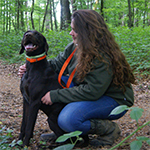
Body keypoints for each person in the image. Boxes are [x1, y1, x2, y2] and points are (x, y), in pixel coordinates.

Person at [18, 9, 135, 147]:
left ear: (86, 32)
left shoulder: (102, 57)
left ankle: (108, 129)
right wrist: (32, 67)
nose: (70, 33)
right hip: (88, 89)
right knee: (47, 79)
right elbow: (55, 65)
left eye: (74, 30)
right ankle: (62, 132)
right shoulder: (76, 46)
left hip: (113, 100)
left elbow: (92, 91)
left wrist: (55, 95)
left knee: (68, 119)